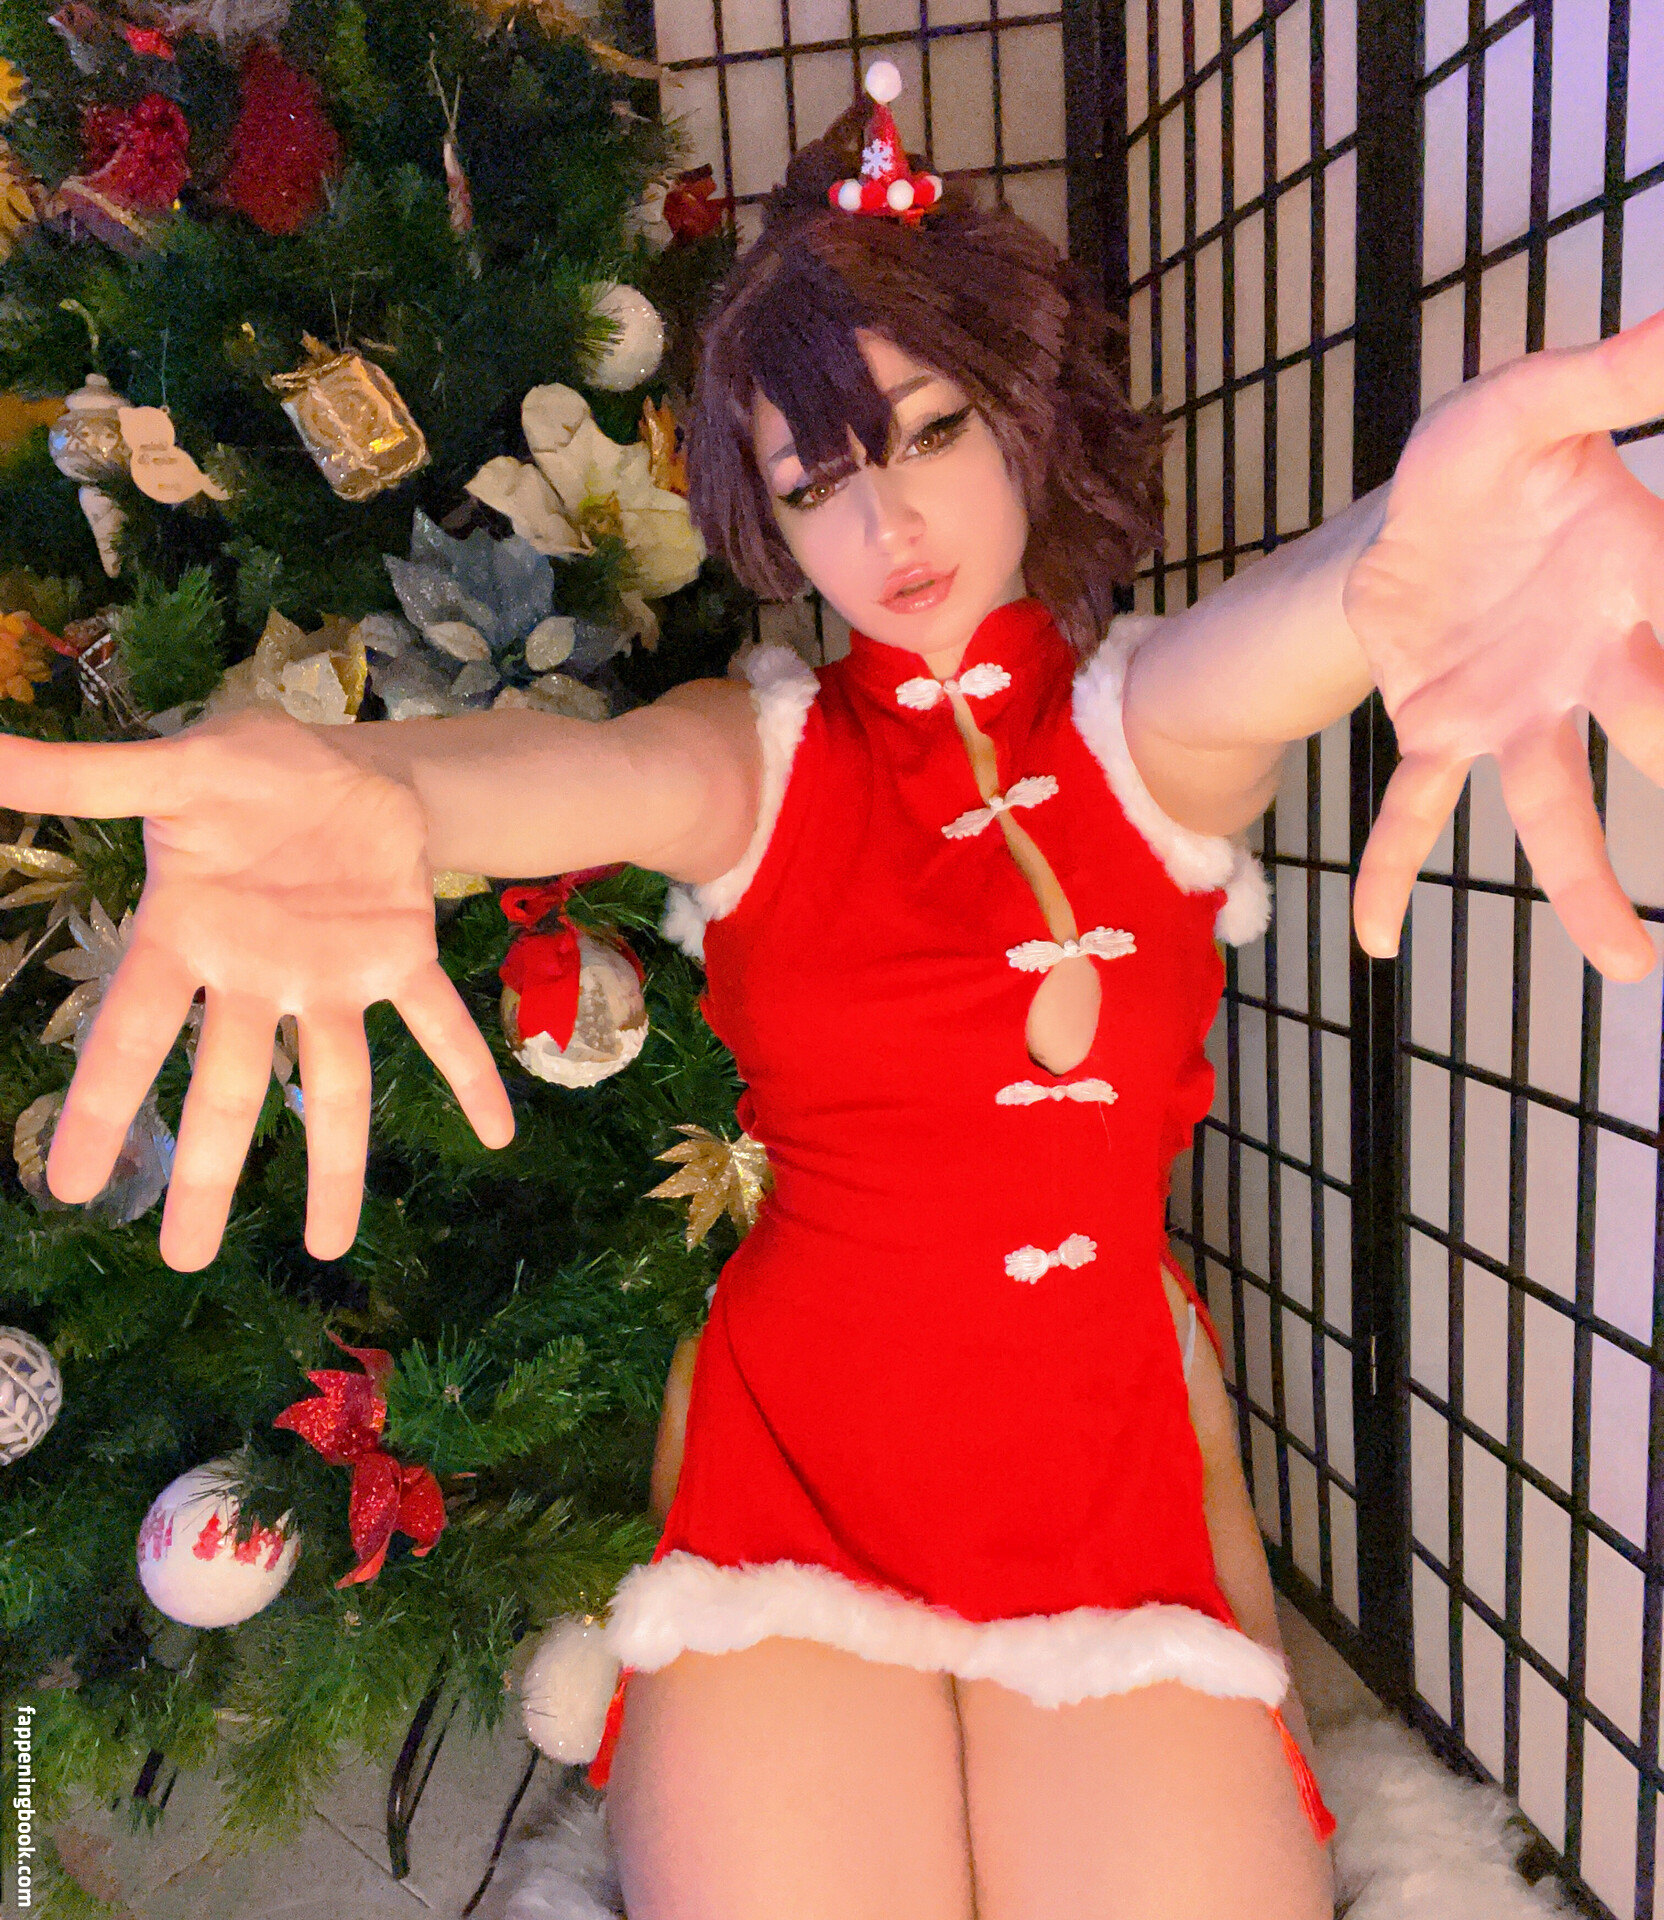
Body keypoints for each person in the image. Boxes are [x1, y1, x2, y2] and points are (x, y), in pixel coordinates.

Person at [5, 73, 1664, 1920]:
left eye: (932, 428)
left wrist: (1414, 555)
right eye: (815, 481)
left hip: (1102, 1464)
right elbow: (579, 779)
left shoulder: (1151, 729)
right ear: (772, 523)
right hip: (802, 1461)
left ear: (1025, 409)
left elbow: (1304, 627)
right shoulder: (766, 755)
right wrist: (373, 788)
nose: (888, 522)